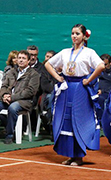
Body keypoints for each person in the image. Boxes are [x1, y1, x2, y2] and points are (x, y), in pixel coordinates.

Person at [45, 24, 104, 166]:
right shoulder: (65, 52)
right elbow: (48, 64)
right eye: (72, 33)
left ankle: (79, 156)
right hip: (66, 88)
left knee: (78, 120)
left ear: (84, 36)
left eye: (77, 33)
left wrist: (89, 80)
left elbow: (101, 66)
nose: (74, 36)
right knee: (67, 120)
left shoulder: (89, 52)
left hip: (80, 89)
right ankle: (70, 155)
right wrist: (57, 77)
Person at [0, 50, 41, 144]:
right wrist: (4, 95)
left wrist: (12, 98)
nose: (21, 60)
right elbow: (4, 86)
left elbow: (30, 91)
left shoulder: (34, 74)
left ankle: (10, 135)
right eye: (19, 58)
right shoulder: (11, 71)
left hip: (24, 102)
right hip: (7, 100)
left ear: (28, 61)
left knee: (13, 107)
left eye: (23, 58)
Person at [96, 53, 111, 121]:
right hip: (96, 91)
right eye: (102, 64)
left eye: (105, 64)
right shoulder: (97, 70)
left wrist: (102, 90)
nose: (103, 66)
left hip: (107, 93)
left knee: (100, 98)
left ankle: (101, 120)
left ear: (110, 63)